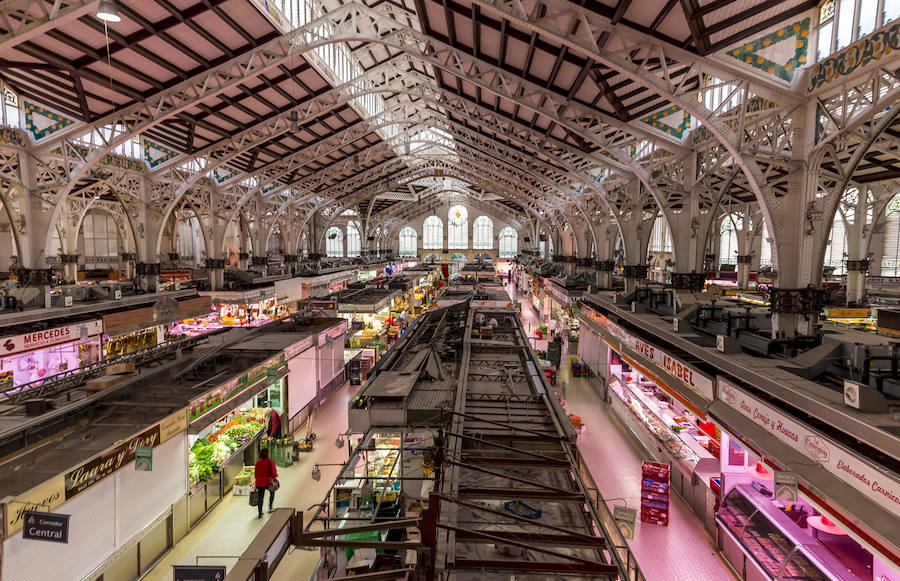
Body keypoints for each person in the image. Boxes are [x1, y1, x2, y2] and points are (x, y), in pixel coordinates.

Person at [254, 448, 279, 517]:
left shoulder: (258, 463)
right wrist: (274, 478)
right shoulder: (270, 461)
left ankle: (260, 512)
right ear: (267, 454)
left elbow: (255, 474)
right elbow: (273, 472)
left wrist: (256, 481)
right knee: (272, 493)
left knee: (260, 497)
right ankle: (270, 507)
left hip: (259, 482)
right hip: (268, 482)